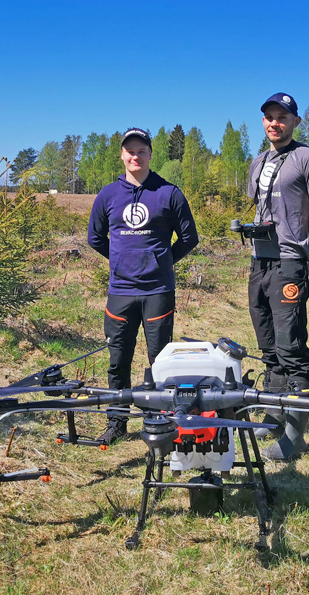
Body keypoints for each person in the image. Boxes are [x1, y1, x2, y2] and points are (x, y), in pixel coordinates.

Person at [88, 127, 199, 445]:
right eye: (130, 151)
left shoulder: (169, 193)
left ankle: (162, 417)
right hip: (120, 292)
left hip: (157, 293)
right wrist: (119, 261)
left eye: (141, 151)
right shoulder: (108, 195)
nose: (135, 156)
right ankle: (117, 421)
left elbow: (189, 238)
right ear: (122, 155)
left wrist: (163, 262)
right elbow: (95, 237)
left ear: (150, 155)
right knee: (117, 359)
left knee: (161, 361)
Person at [246, 93, 309, 460]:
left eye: (281, 117)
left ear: (296, 121)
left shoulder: (308, 158)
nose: (274, 123)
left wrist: (304, 254)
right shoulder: (258, 161)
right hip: (259, 263)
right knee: (268, 345)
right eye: (268, 117)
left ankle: (294, 437)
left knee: (291, 347)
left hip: (288, 264)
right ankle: (273, 415)